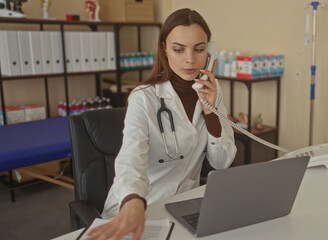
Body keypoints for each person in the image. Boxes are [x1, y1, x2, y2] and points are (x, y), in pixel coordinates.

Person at [86, 8, 237, 240]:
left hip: (183, 209)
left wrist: (210, 111)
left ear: (209, 51)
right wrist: (133, 200)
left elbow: (222, 162)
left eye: (199, 49)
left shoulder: (212, 94)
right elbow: (130, 157)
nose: (190, 59)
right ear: (164, 50)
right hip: (138, 209)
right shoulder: (143, 97)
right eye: (179, 49)